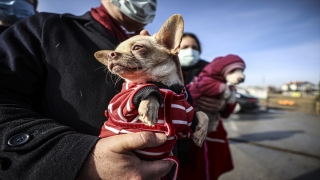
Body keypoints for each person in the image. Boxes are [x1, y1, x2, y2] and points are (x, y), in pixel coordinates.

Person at [0, 0, 181, 179]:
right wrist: (79, 158)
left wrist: (181, 93)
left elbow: (182, 117)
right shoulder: (46, 28)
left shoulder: (163, 53)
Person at [178, 32, 235, 180]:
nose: (190, 51)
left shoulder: (212, 70)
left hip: (208, 138)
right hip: (179, 140)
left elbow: (230, 101)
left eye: (194, 47)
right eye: (184, 47)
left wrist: (222, 106)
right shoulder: (166, 69)